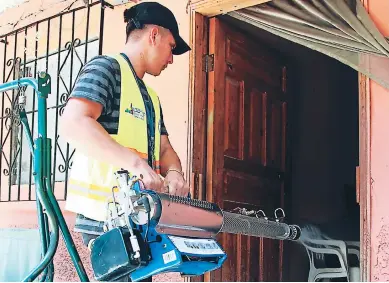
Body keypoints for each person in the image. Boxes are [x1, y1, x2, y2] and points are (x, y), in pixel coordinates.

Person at [60, 2, 191, 280]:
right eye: (171, 46)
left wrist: (176, 172)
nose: (171, 59)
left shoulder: (151, 98)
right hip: (105, 218)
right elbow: (74, 123)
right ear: (153, 35)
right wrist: (136, 164)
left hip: (139, 217)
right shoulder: (106, 68)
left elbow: (165, 148)